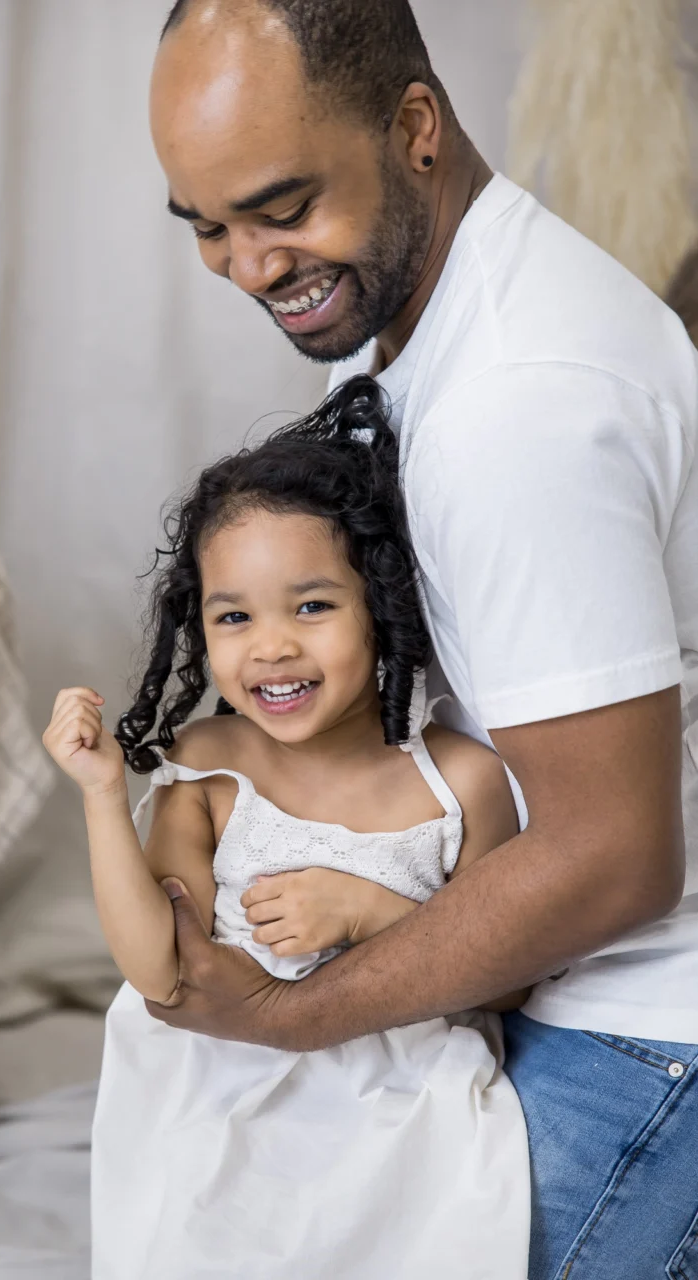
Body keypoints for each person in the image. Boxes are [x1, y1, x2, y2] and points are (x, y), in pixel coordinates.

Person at [145, 2, 698, 1277]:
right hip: (524, 975)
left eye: (281, 207)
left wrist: (292, 1018)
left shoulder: (518, 408)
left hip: (641, 1027)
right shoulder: (414, 325)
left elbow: (614, 860)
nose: (247, 265)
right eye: (208, 227)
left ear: (413, 128)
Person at [43, 378, 531, 1278]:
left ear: (381, 610)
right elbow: (157, 968)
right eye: (234, 617)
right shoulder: (209, 764)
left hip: (399, 1109)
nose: (269, 646)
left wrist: (371, 911)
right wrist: (102, 795)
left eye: (311, 606)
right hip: (218, 1097)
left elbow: (504, 981)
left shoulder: (460, 778)